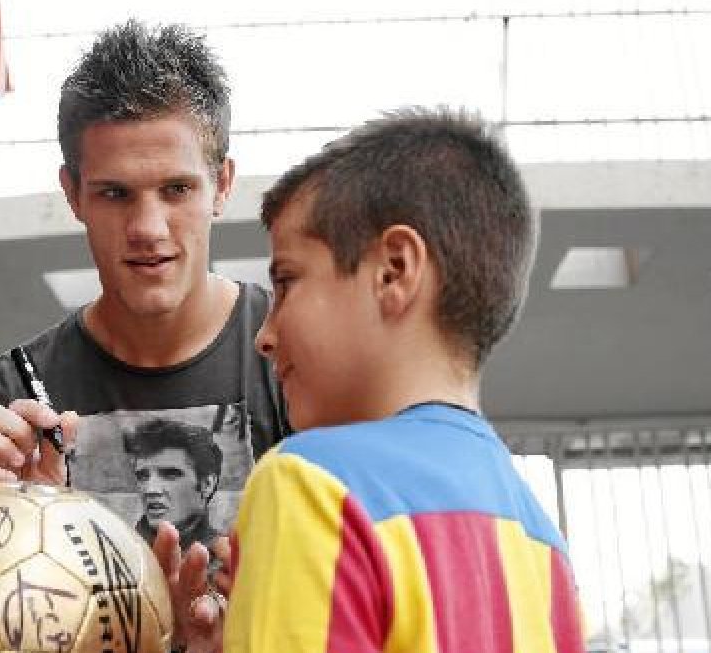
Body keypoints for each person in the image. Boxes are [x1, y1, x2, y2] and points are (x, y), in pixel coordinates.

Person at [0, 20, 287, 651]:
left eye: (176, 189)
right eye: (114, 193)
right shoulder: (19, 394)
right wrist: (16, 525)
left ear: (221, 184)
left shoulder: (293, 355)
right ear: (73, 194)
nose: (147, 227)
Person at [223, 108, 586, 652]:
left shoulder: (313, 485)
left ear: (393, 269)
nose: (265, 334)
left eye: (287, 281)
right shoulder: (541, 540)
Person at [124, 418, 223, 552]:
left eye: (170, 474)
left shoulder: (230, 560)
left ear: (207, 485)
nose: (150, 489)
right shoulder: (118, 552)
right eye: (143, 476)